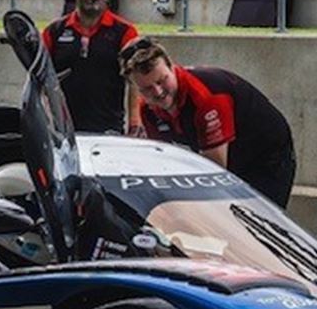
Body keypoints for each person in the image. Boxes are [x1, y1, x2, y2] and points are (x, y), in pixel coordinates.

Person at [119, 37, 296, 208]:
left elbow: (214, 172)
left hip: (266, 156)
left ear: (172, 67)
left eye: (162, 80)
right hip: (226, 153)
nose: (158, 92)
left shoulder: (205, 97)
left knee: (256, 223)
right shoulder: (147, 110)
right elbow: (163, 163)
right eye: (147, 89)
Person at [41, 0, 142, 134]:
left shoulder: (125, 32)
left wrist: (135, 121)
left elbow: (135, 82)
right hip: (63, 130)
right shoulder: (53, 31)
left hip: (109, 129)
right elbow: (41, 80)